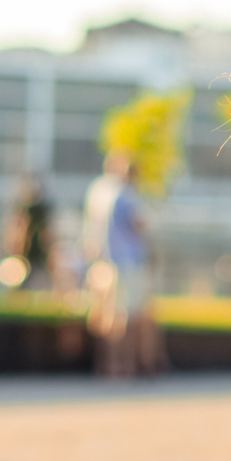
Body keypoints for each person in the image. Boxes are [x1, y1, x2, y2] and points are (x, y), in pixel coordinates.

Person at [83, 152, 160, 376]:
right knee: (125, 317)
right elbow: (140, 224)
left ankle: (106, 366)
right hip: (126, 262)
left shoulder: (98, 191)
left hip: (103, 261)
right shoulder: (125, 195)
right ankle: (124, 367)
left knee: (106, 314)